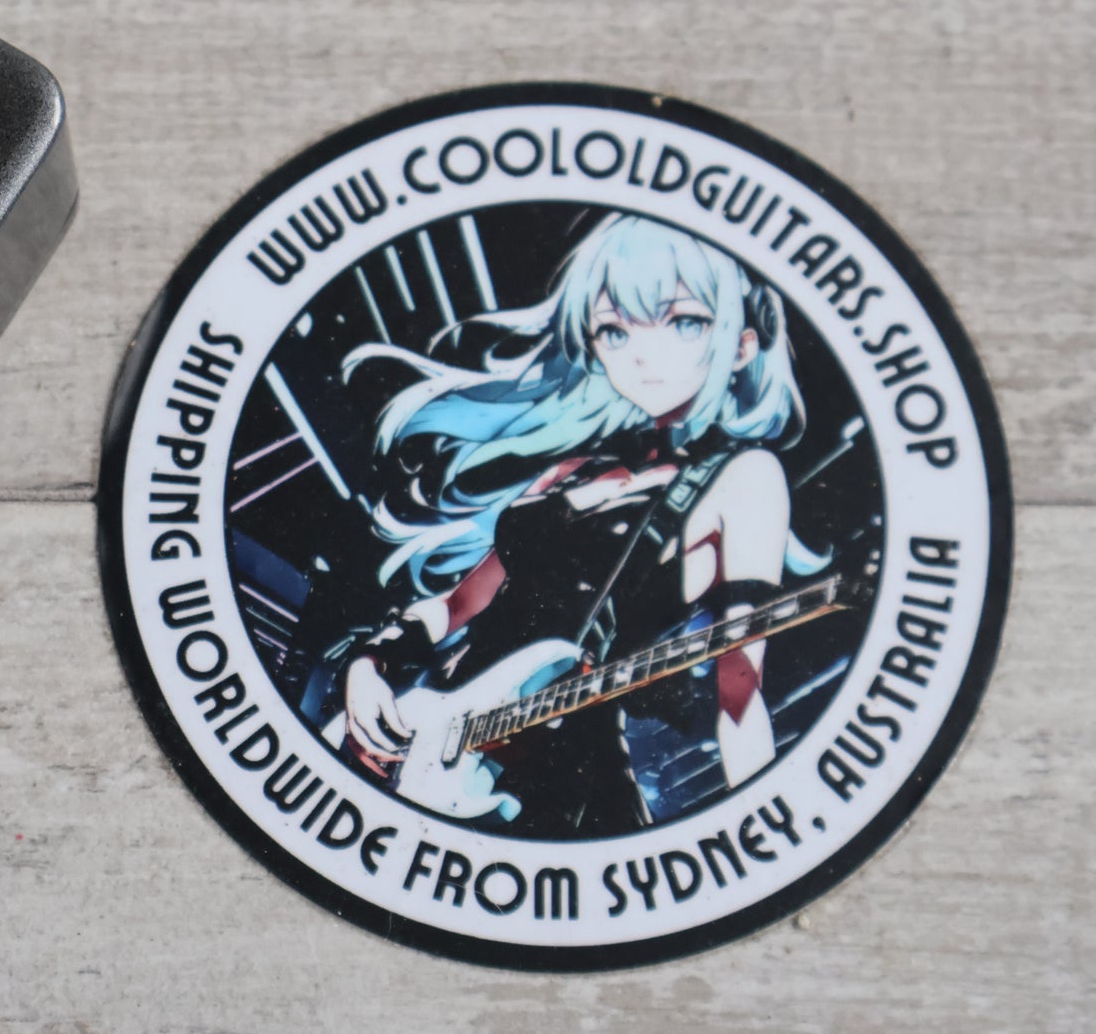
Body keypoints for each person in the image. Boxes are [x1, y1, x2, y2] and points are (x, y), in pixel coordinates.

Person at [338, 212, 822, 839]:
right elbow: (460, 605)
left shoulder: (744, 477)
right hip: (436, 747)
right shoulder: (572, 470)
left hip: (568, 792)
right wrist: (369, 663)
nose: (643, 354)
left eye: (684, 322)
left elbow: (740, 691)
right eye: (615, 330)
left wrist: (761, 840)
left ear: (741, 347)